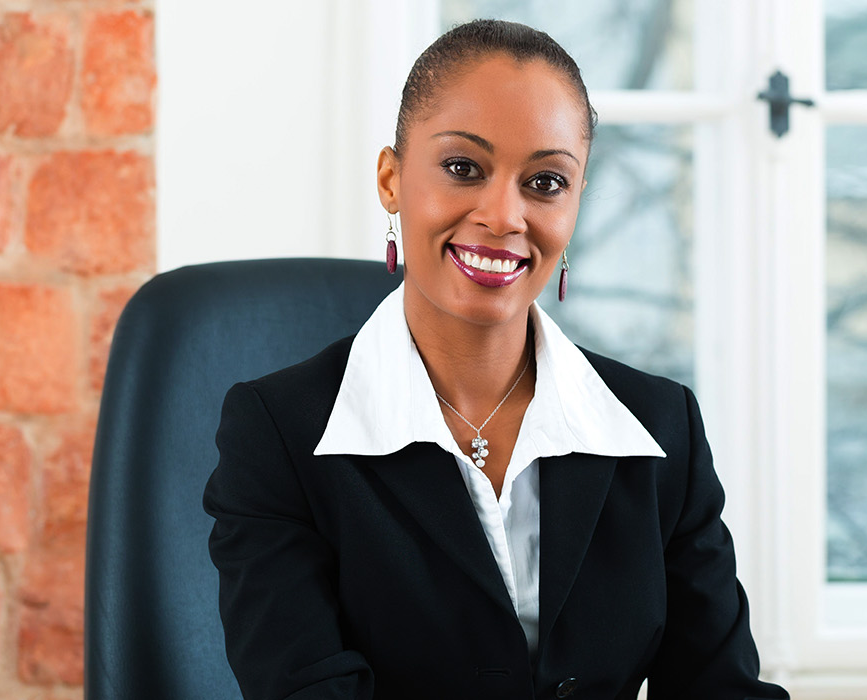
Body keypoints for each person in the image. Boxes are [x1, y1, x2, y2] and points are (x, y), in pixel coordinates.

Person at [203, 19, 789, 700]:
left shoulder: (660, 428)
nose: (505, 215)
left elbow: (720, 688)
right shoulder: (278, 434)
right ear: (391, 180)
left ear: (574, 206)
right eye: (462, 169)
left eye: (545, 182)